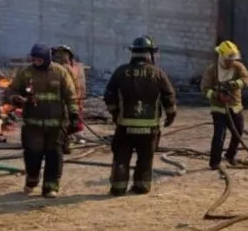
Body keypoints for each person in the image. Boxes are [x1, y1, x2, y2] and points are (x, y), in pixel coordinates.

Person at [103, 36, 178, 196]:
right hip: (149, 127)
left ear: (133, 52)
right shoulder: (158, 74)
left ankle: (118, 187)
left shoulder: (121, 72)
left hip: (125, 126)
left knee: (122, 157)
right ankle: (142, 186)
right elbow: (168, 95)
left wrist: (116, 113)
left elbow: (109, 94)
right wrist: (170, 115)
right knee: (145, 157)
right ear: (150, 54)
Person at [4, 43, 79, 198]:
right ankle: (32, 180)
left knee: (54, 156)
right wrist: (15, 98)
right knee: (32, 155)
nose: (36, 63)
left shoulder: (60, 72)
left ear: (47, 59)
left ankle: (51, 187)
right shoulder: (26, 73)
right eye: (34, 60)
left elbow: (70, 95)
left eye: (39, 60)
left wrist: (73, 114)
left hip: (56, 125)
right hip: (33, 124)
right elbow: (10, 91)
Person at [199, 40, 248, 170]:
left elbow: (246, 79)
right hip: (219, 109)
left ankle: (230, 155)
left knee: (238, 132)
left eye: (233, 60)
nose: (230, 62)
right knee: (219, 135)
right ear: (221, 56)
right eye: (228, 60)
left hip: (235, 106)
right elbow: (204, 88)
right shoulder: (212, 70)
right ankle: (214, 162)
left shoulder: (238, 67)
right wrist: (217, 95)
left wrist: (234, 84)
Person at [53, 45, 86, 155]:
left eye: (62, 54)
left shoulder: (71, 67)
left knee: (71, 120)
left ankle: (69, 141)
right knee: (66, 122)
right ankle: (66, 143)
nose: (60, 56)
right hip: (68, 99)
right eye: (58, 54)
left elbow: (76, 84)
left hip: (73, 98)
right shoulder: (63, 67)